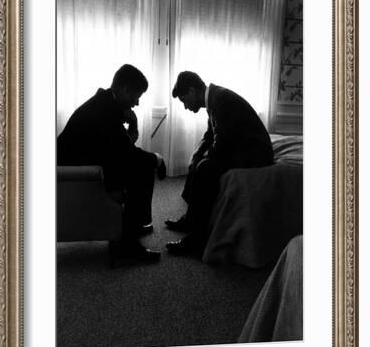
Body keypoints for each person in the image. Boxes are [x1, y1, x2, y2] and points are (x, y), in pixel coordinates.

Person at [57, 64, 166, 262]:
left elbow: (119, 148)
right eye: (137, 96)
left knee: (140, 165)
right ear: (125, 90)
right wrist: (157, 159)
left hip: (85, 163)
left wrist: (133, 126)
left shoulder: (106, 103)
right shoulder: (105, 111)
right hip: (77, 174)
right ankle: (126, 247)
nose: (137, 103)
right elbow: (128, 154)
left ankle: (133, 227)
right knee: (143, 168)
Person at [165, 71, 274, 255]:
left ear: (192, 91)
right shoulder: (215, 98)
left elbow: (222, 143)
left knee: (206, 168)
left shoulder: (221, 100)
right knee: (198, 162)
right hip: (241, 146)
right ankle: (190, 220)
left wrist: (203, 159)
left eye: (184, 101)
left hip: (255, 154)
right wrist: (197, 155)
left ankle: (198, 240)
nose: (185, 107)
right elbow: (211, 135)